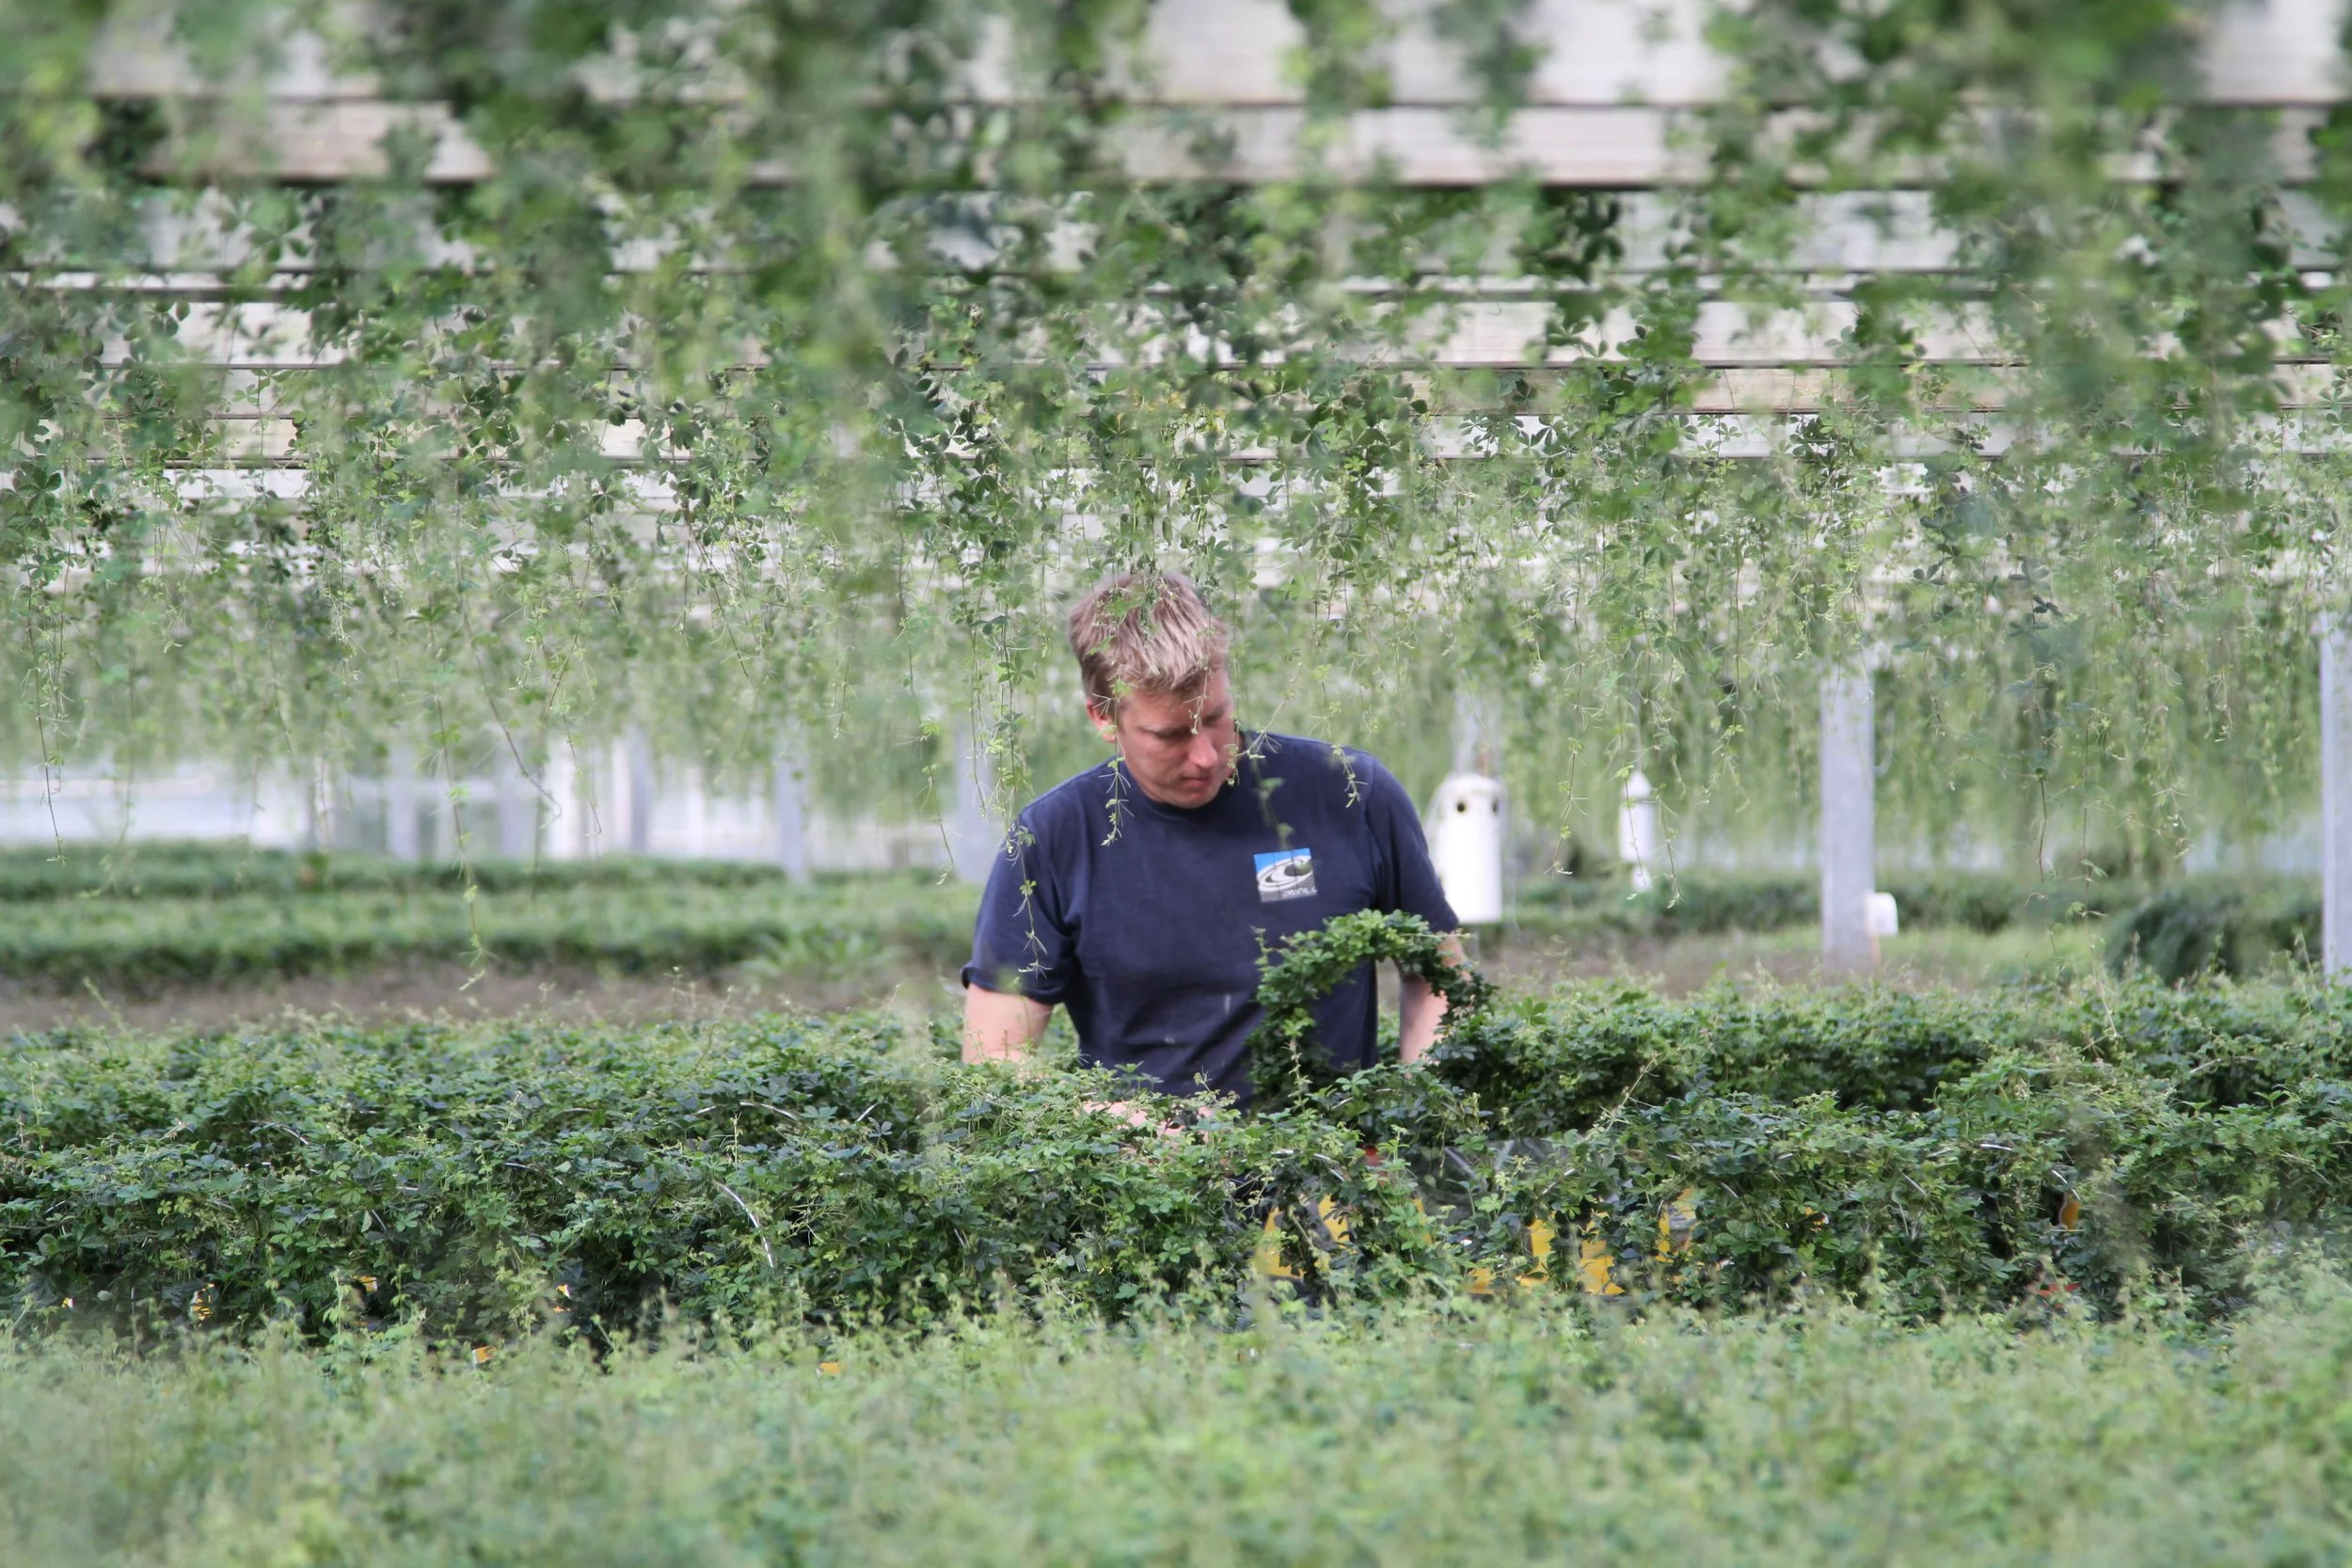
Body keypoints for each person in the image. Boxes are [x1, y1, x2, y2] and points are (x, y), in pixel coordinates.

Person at [961, 570, 1463, 1109]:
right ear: (1104, 718)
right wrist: (1111, 1122)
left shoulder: (1349, 792)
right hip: (1150, 1182)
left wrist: (1413, 1115)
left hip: (1331, 1176)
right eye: (1171, 734)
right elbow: (996, 1059)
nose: (1205, 755)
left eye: (1218, 719)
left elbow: (1439, 974)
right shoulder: (1054, 837)